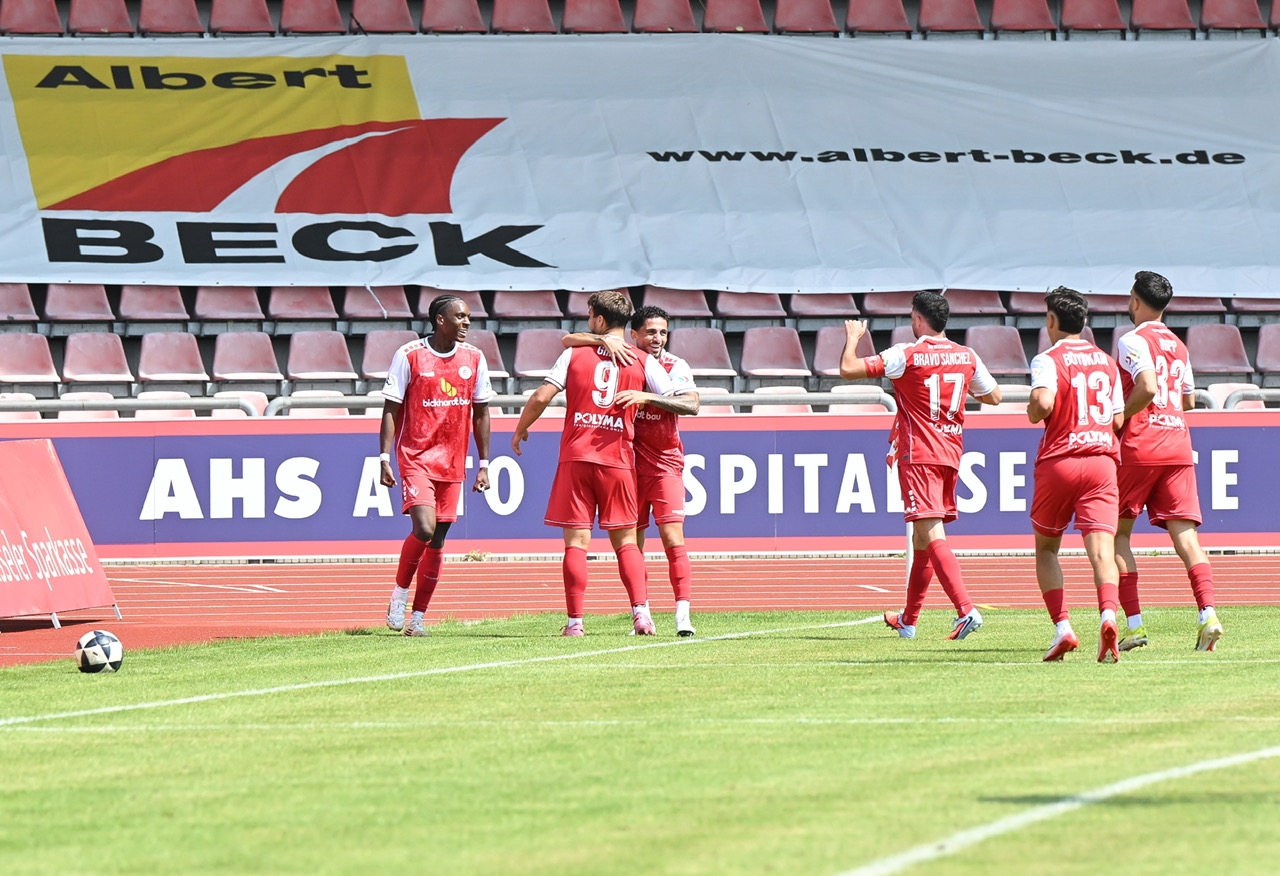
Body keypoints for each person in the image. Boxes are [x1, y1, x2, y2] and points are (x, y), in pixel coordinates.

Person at [512, 290, 692, 637]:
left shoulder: (574, 354)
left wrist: (521, 430)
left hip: (577, 455)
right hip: (619, 459)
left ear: (596, 318)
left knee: (576, 542)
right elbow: (673, 399)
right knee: (626, 541)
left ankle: (575, 623)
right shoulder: (643, 360)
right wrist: (645, 396)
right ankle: (642, 615)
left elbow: (541, 396)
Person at [840, 291, 1002, 640]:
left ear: (917, 320)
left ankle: (965, 609)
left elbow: (848, 369)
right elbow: (994, 396)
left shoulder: (905, 354)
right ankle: (909, 620)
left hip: (919, 453)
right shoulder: (966, 355)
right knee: (921, 537)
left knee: (930, 533)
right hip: (951, 451)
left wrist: (853, 339)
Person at [561, 305, 702, 635]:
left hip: (665, 463)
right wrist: (598, 339)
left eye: (663, 332)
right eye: (651, 332)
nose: (658, 338)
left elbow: (691, 404)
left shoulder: (673, 365)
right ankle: (643, 614)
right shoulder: (618, 358)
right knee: (632, 546)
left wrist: (645, 397)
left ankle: (683, 615)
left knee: (672, 538)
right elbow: (568, 339)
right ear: (633, 334)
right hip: (626, 466)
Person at [1113, 271, 1224, 652]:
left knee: (1117, 535)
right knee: (1187, 537)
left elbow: (1147, 386)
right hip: (1177, 442)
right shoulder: (1178, 344)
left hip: (1141, 445)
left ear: (1137, 300)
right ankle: (1208, 613)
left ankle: (1135, 626)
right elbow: (1189, 400)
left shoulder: (1131, 339)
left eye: (1130, 297)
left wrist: (1121, 416)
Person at [381, 294, 493, 638]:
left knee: (439, 539)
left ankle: (418, 618)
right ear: (440, 320)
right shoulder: (409, 355)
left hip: (453, 461)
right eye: (460, 316)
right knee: (425, 529)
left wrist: (484, 463)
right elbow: (391, 409)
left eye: (469, 317)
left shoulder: (474, 358)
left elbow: (482, 412)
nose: (467, 322)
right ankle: (399, 594)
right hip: (416, 457)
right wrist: (384, 457)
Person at [1027, 288, 1125, 663]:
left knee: (1048, 548)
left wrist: (1034, 411)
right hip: (1101, 462)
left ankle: (1063, 627)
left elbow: (1042, 405)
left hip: (1061, 461)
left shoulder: (1047, 359)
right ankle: (1108, 616)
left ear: (1052, 320)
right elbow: (1117, 419)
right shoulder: (1105, 360)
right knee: (1102, 551)